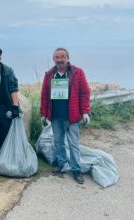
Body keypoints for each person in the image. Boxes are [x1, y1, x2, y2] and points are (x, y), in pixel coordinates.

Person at [40, 48, 91, 184]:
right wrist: (43, 114)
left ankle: (76, 169)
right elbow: (44, 95)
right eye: (57, 57)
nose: (60, 59)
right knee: (58, 142)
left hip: (72, 116)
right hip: (56, 115)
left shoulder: (77, 72)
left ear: (68, 58)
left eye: (62, 56)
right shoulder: (49, 74)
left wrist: (85, 111)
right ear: (53, 59)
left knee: (74, 144)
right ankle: (61, 164)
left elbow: (85, 93)